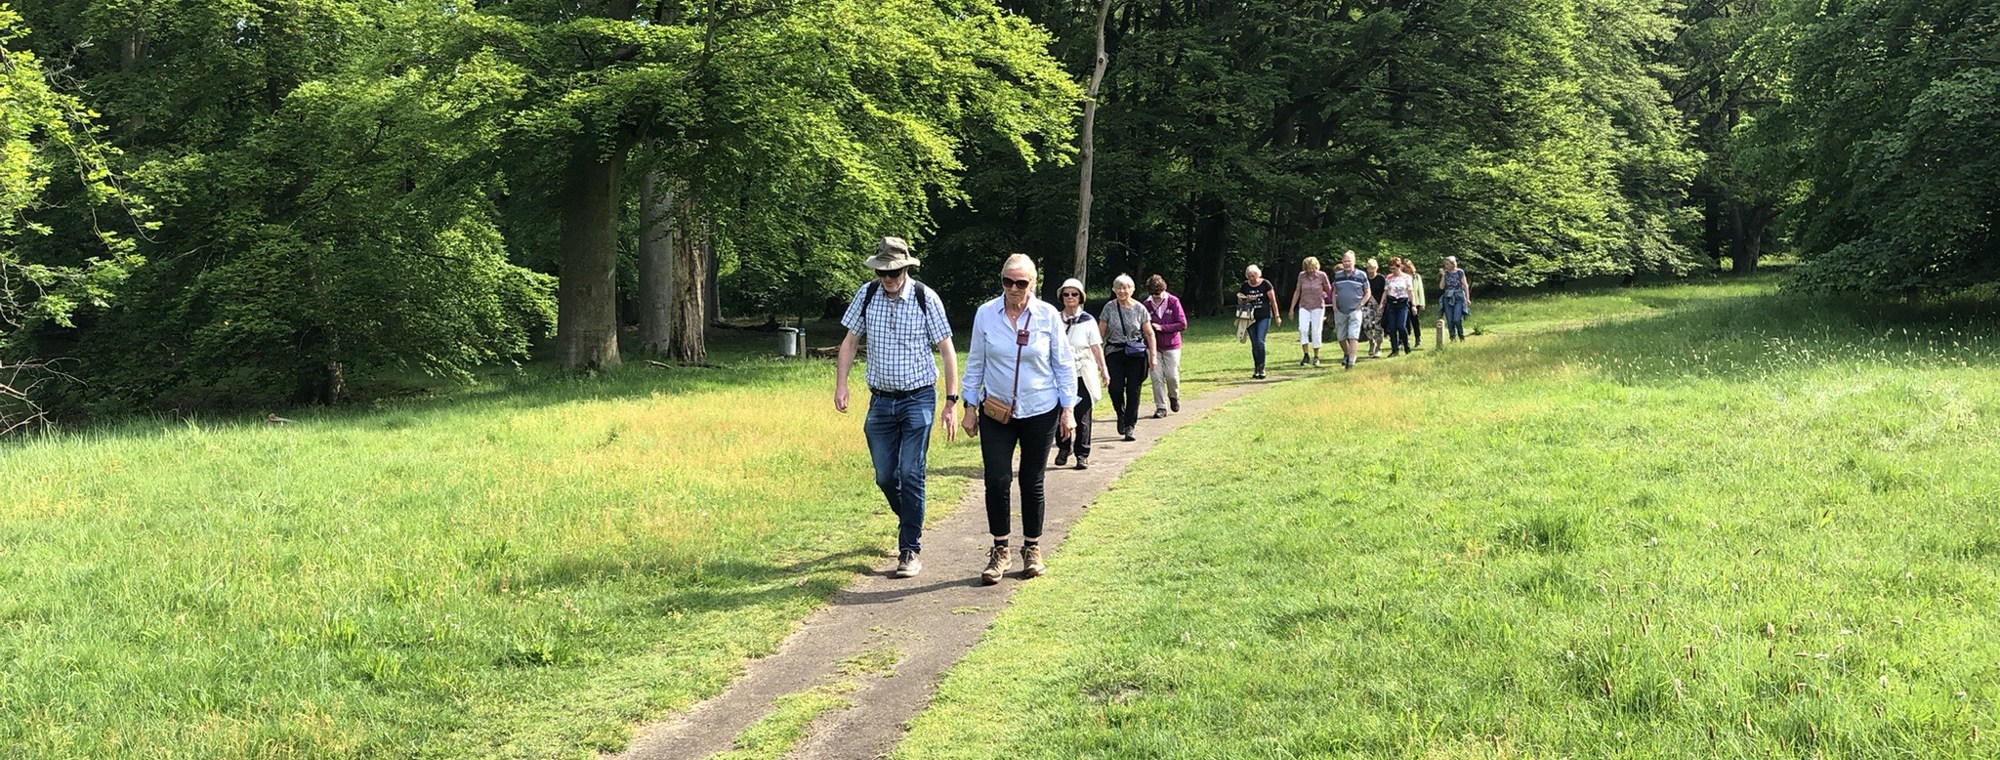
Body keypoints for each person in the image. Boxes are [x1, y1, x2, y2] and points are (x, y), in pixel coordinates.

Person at [834, 237, 959, 580]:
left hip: (918, 397)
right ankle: (910, 518)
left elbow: (947, 348)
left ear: (906, 268)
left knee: (910, 473)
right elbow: (849, 342)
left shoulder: (924, 297)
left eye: (894, 272)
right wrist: (841, 384)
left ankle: (909, 549)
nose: (888, 279)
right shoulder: (867, 294)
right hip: (880, 401)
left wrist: (951, 401)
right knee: (886, 476)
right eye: (883, 273)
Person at [961, 254, 1076, 584]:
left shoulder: (1047, 316)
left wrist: (1068, 410)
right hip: (997, 410)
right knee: (996, 478)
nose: (1013, 288)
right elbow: (976, 363)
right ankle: (1000, 549)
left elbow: (1063, 364)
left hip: (1040, 408)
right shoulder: (986, 314)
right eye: (1007, 282)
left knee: (1031, 479)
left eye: (1021, 283)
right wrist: (969, 407)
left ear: (1033, 284)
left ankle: (1032, 547)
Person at [1054, 278, 1109, 470]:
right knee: (1061, 413)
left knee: (1083, 414)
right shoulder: (1055, 319)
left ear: (1080, 297)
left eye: (1074, 294)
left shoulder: (1088, 320)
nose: (1070, 298)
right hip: (1061, 373)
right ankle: (1063, 447)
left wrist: (1104, 370)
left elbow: (1096, 347)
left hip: (1083, 372)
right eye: (1066, 294)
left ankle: (1082, 453)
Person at [1099, 274, 1158, 441]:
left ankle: (1130, 425)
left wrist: (1153, 356)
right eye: (1118, 287)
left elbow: (1149, 333)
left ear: (1132, 290)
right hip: (1114, 352)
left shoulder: (1140, 308)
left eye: (1125, 287)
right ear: (1114, 290)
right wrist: (1095, 355)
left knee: (1134, 390)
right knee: (1115, 388)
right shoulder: (1109, 308)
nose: (1122, 291)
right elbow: (1100, 332)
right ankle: (1120, 413)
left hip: (1136, 354)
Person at [1144, 275, 1186, 417]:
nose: (1156, 297)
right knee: (1156, 377)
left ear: (1164, 289)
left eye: (1158, 294)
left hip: (1172, 345)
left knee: (1172, 375)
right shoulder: (1146, 305)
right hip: (1152, 346)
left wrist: (1162, 328)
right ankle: (1161, 407)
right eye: (1153, 294)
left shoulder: (1173, 301)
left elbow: (1182, 324)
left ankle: (1174, 396)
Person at [1329, 250, 1371, 370]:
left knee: (1353, 335)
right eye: (1345, 261)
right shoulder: (1338, 276)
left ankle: (1351, 361)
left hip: (1355, 310)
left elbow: (1367, 292)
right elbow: (1334, 292)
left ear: (1354, 262)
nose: (1347, 263)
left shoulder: (1361, 275)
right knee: (1341, 337)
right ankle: (1347, 353)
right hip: (1341, 310)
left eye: (1349, 261)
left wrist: (1361, 304)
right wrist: (1334, 306)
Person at [1237, 265, 1281, 378]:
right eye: (1250, 276)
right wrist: (1247, 299)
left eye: (1254, 276)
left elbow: (1273, 301)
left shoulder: (1266, 284)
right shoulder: (1245, 286)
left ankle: (1262, 368)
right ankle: (1256, 368)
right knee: (1254, 343)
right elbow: (1240, 301)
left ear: (1258, 274)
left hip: (1264, 316)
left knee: (1260, 341)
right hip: (1249, 317)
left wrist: (1277, 316)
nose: (1252, 278)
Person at [1289, 256, 1331, 368]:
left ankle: (1316, 356)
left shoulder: (1322, 276)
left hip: (1318, 306)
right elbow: (1297, 291)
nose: (1310, 271)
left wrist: (1328, 297)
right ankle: (1306, 354)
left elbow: (1329, 290)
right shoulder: (1301, 276)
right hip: (1304, 306)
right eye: (1308, 268)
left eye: (1312, 268)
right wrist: (1292, 308)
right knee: (1303, 329)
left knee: (1316, 331)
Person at [1381, 260, 1415, 357]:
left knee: (1401, 326)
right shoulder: (1389, 278)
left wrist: (1413, 305)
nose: (1392, 271)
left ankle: (1406, 345)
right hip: (1392, 303)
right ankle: (1394, 349)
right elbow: (1385, 291)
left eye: (1394, 268)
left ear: (1399, 267)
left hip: (1402, 303)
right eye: (1391, 269)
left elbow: (1410, 291)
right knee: (1392, 327)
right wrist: (1381, 304)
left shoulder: (1407, 277)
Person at [1440, 255, 1472, 341]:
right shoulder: (1445, 273)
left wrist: (1467, 298)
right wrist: (1443, 276)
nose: (1445, 266)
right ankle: (1452, 338)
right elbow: (1441, 287)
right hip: (1448, 297)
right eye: (1445, 264)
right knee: (1450, 320)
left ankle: (1461, 336)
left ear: (1453, 264)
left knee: (1457, 319)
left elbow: (1465, 285)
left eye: (1447, 264)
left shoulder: (1460, 272)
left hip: (1458, 296)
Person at [1363, 259, 1386, 359]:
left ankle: (1378, 347)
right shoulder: (1364, 278)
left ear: (1376, 268)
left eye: (1372, 268)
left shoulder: (1381, 278)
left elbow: (1385, 292)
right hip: (1367, 305)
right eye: (1369, 268)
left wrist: (1381, 304)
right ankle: (1371, 342)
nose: (1370, 270)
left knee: (1378, 327)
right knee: (1366, 325)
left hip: (1379, 305)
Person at [1405, 260, 1427, 349]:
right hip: (1405, 301)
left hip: (1415, 302)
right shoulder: (1403, 276)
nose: (1406, 268)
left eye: (1408, 266)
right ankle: (1405, 339)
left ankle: (1418, 338)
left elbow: (1420, 290)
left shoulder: (1416, 277)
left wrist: (1422, 303)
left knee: (1415, 321)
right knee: (1405, 321)